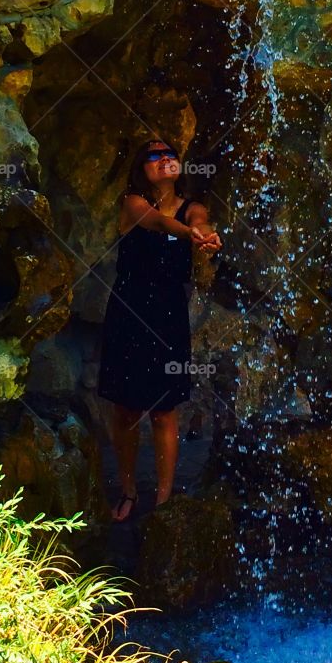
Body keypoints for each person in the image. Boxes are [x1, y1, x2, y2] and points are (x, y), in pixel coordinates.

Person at [97, 137, 222, 522]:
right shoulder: (131, 203)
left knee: (164, 411)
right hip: (129, 307)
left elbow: (198, 220)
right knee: (126, 407)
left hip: (168, 312)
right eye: (155, 155)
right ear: (142, 167)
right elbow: (156, 222)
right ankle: (130, 489)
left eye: (170, 154)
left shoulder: (192, 209)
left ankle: (164, 501)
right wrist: (190, 236)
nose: (165, 159)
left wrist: (204, 232)